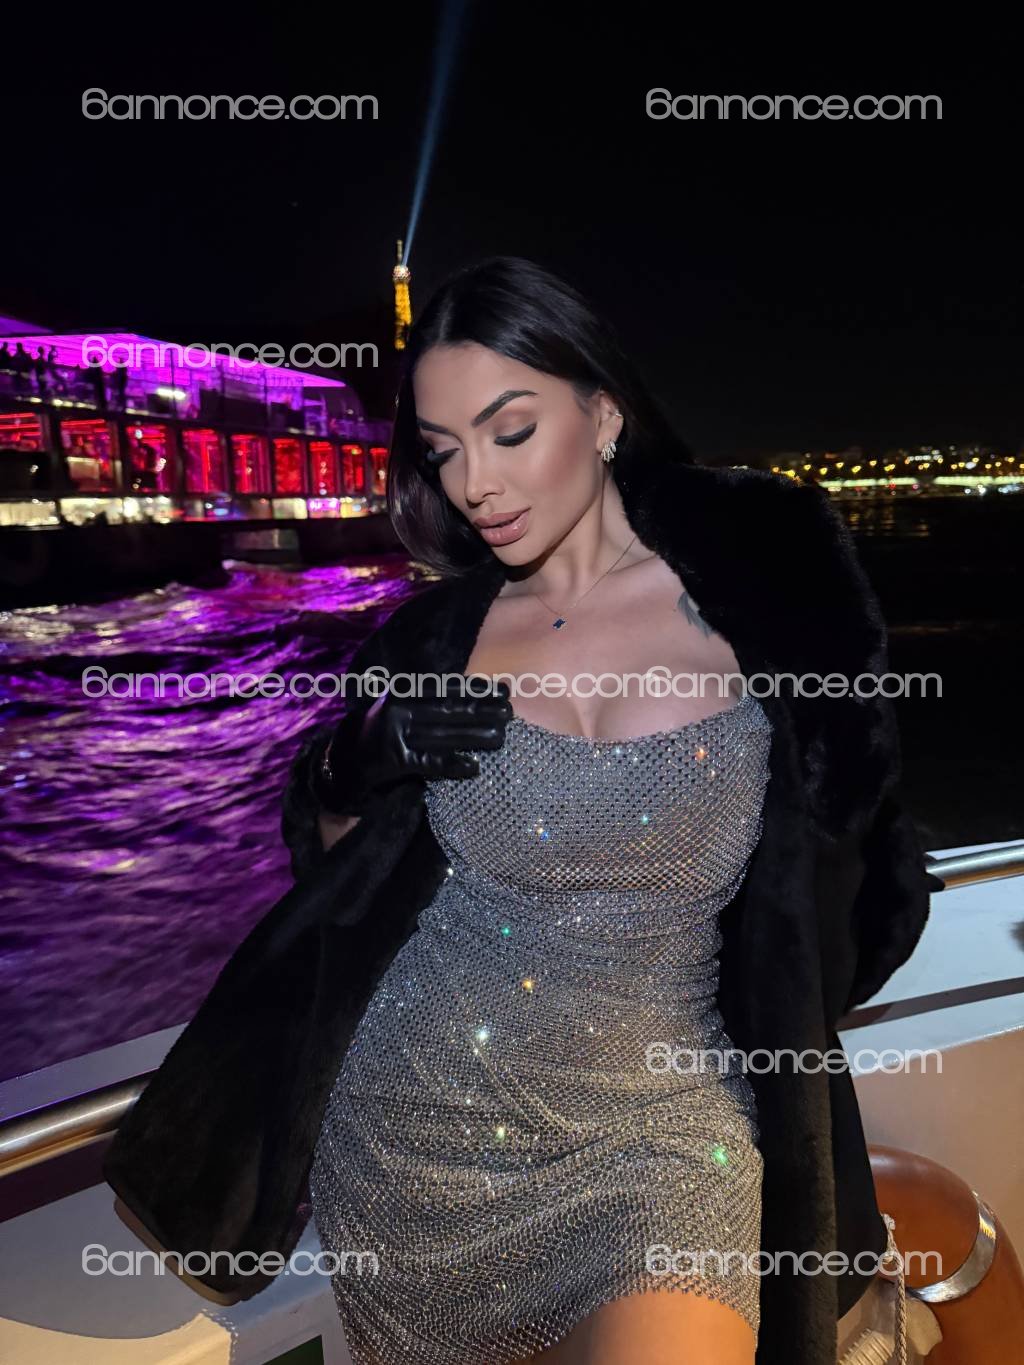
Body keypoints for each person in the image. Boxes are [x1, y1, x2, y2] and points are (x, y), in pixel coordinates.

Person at [102, 257, 938, 1365]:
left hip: (660, 1134)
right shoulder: (431, 643)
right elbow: (337, 880)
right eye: (443, 450)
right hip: (409, 1130)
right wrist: (357, 761)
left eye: (509, 431)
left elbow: (864, 884)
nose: (475, 484)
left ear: (604, 413)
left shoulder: (774, 603)